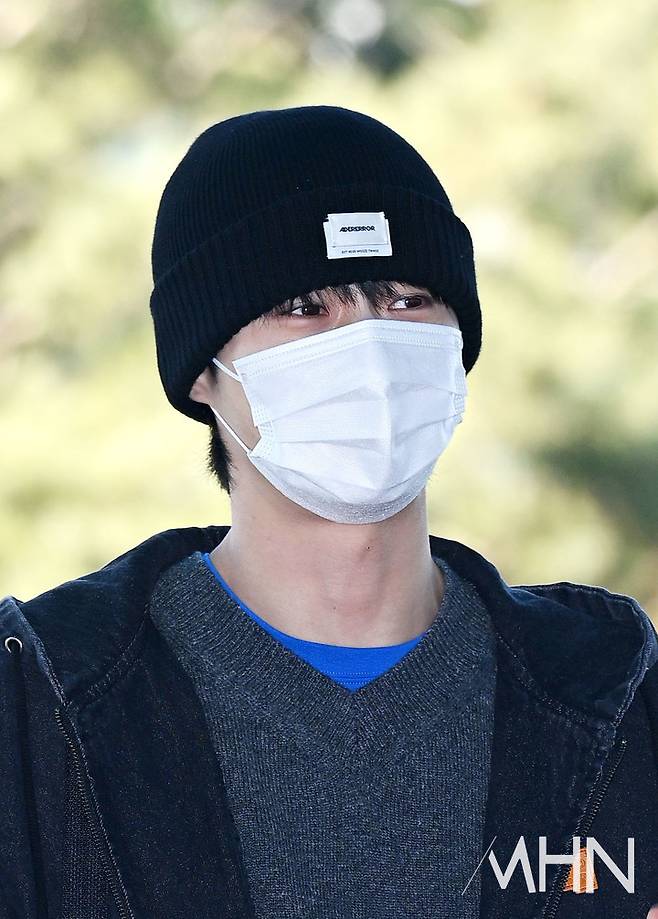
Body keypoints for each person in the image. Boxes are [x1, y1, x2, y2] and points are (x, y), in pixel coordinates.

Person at [1, 105, 657, 919]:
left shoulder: (618, 695)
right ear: (201, 369)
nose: (370, 347)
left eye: (408, 299)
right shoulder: (40, 706)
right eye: (305, 306)